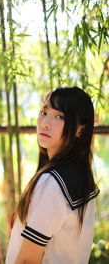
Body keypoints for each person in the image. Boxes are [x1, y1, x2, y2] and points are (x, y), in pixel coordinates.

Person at [5, 86, 99, 264]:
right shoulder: (82, 177)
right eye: (44, 112)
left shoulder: (53, 183)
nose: (45, 123)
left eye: (59, 116)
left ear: (80, 129)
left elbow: (27, 260)